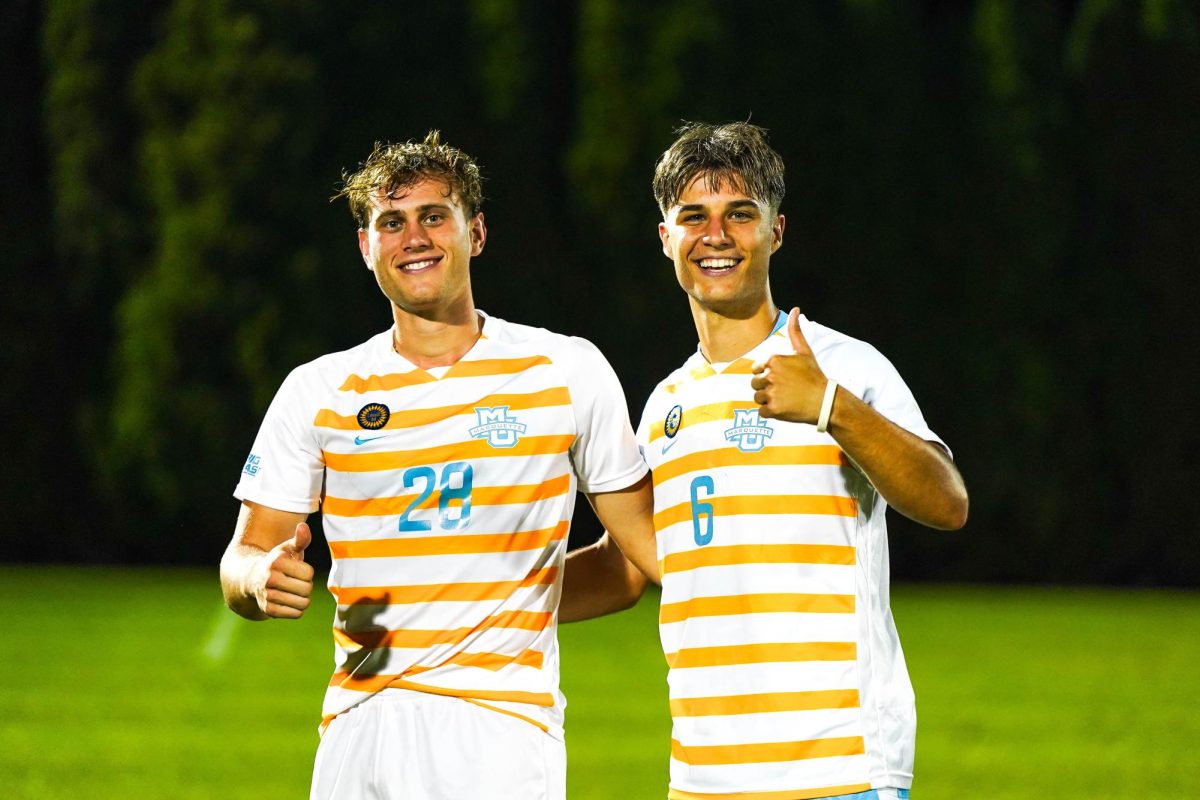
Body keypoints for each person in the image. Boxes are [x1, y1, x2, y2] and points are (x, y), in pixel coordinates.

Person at [220, 131, 657, 800]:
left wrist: (503, 603)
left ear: (475, 232)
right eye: (390, 222)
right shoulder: (320, 389)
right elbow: (246, 552)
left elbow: (634, 560)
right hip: (358, 719)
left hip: (499, 731)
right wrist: (257, 578)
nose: (413, 237)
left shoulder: (565, 370)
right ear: (366, 247)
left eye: (434, 216)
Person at [638, 122, 969, 800]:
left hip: (838, 768)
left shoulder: (842, 365)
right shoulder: (662, 408)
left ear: (776, 231)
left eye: (741, 214)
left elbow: (946, 501)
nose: (717, 236)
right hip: (703, 775)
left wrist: (830, 406)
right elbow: (637, 563)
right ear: (666, 237)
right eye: (693, 216)